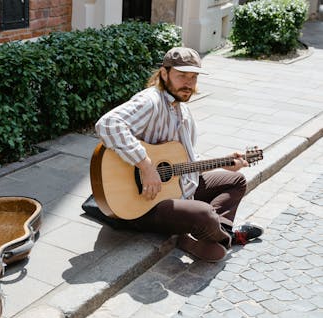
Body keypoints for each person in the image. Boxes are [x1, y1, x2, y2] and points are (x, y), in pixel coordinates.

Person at [85, 47, 263, 262]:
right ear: (164, 73)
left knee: (236, 180)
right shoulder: (151, 101)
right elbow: (108, 124)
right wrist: (146, 166)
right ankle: (226, 235)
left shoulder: (183, 111)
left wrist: (225, 162)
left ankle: (209, 233)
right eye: (181, 76)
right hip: (144, 202)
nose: (188, 83)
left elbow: (183, 161)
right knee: (204, 213)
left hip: (175, 189)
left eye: (193, 77)